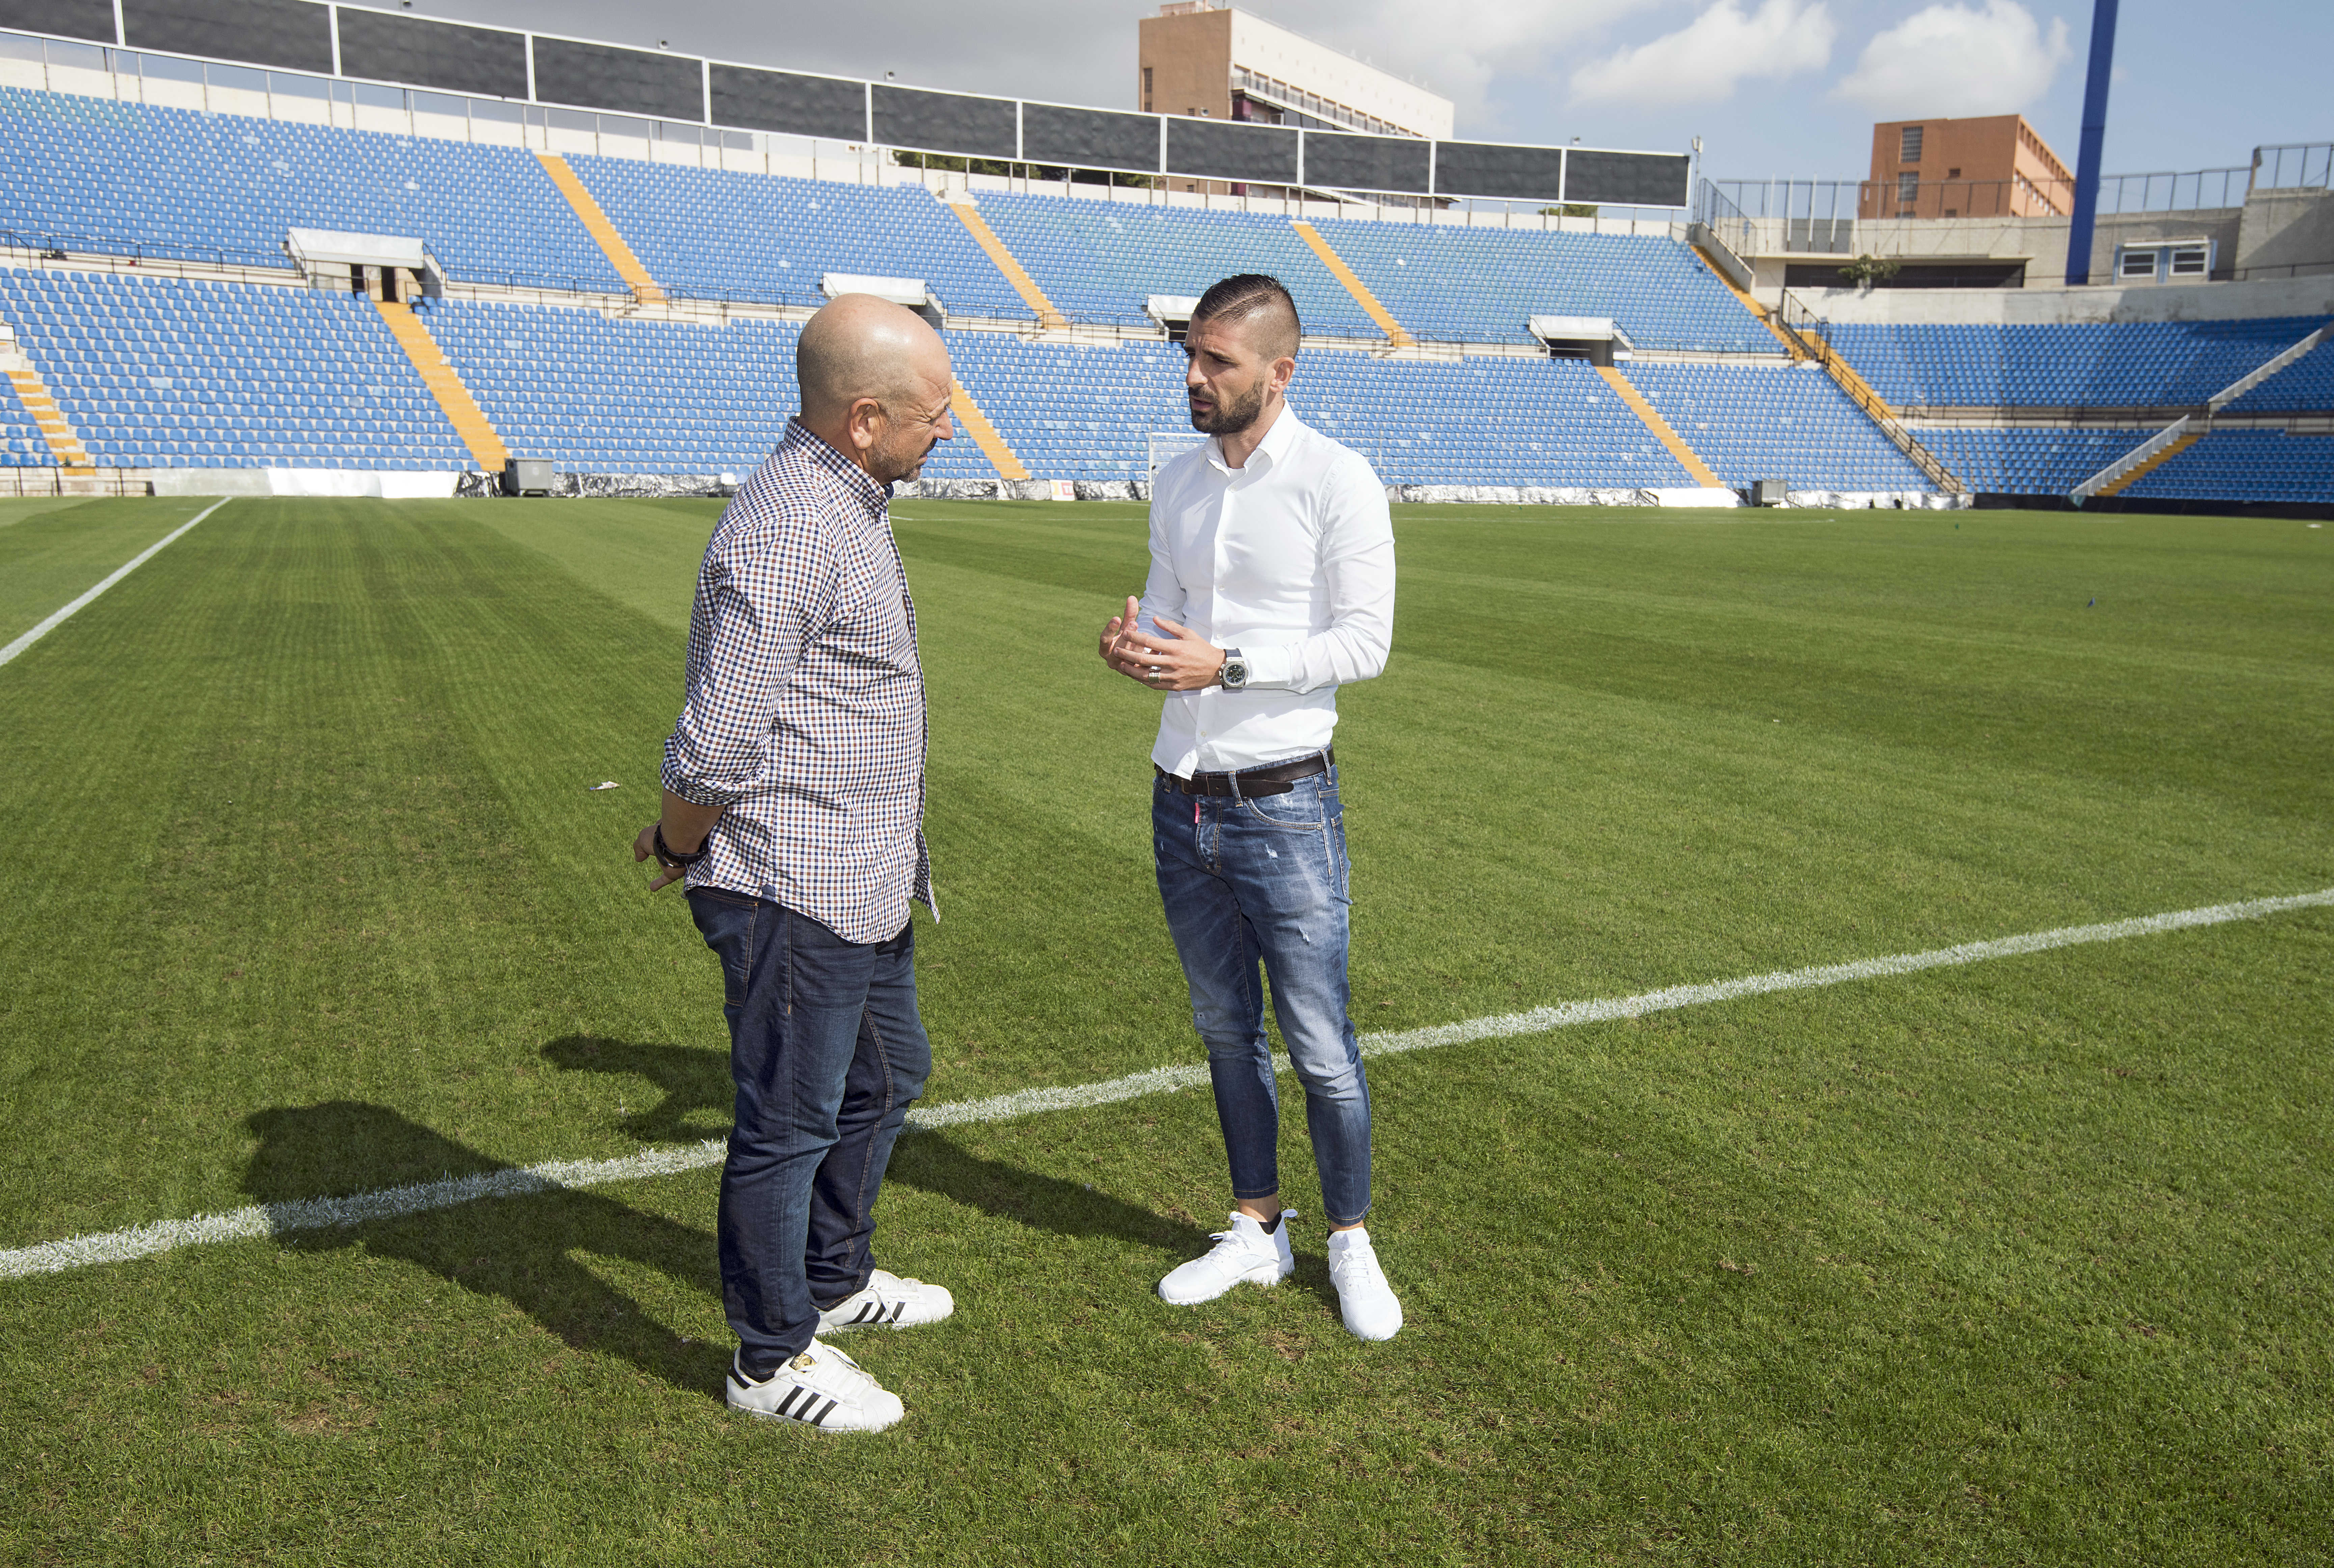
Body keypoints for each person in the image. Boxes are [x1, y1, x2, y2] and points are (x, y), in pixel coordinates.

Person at [634, 294, 957, 1432]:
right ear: (864, 419)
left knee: (889, 1075)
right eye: (932, 412)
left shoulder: (841, 500)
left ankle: (832, 1275)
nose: (947, 430)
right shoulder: (792, 527)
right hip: (793, 880)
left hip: (860, 872)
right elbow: (717, 734)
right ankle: (769, 1359)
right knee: (789, 1121)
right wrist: (682, 841)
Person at [1098, 274, 1402, 1341]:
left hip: (1285, 804)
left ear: (1279, 371)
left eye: (1216, 361)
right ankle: (1255, 1226)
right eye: (1188, 355)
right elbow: (1166, 616)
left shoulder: (1337, 479)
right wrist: (1134, 648)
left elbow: (1364, 643)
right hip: (1179, 797)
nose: (1193, 376)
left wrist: (1225, 666)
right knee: (1225, 1031)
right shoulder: (1178, 480)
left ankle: (1349, 1239)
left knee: (1318, 1041)